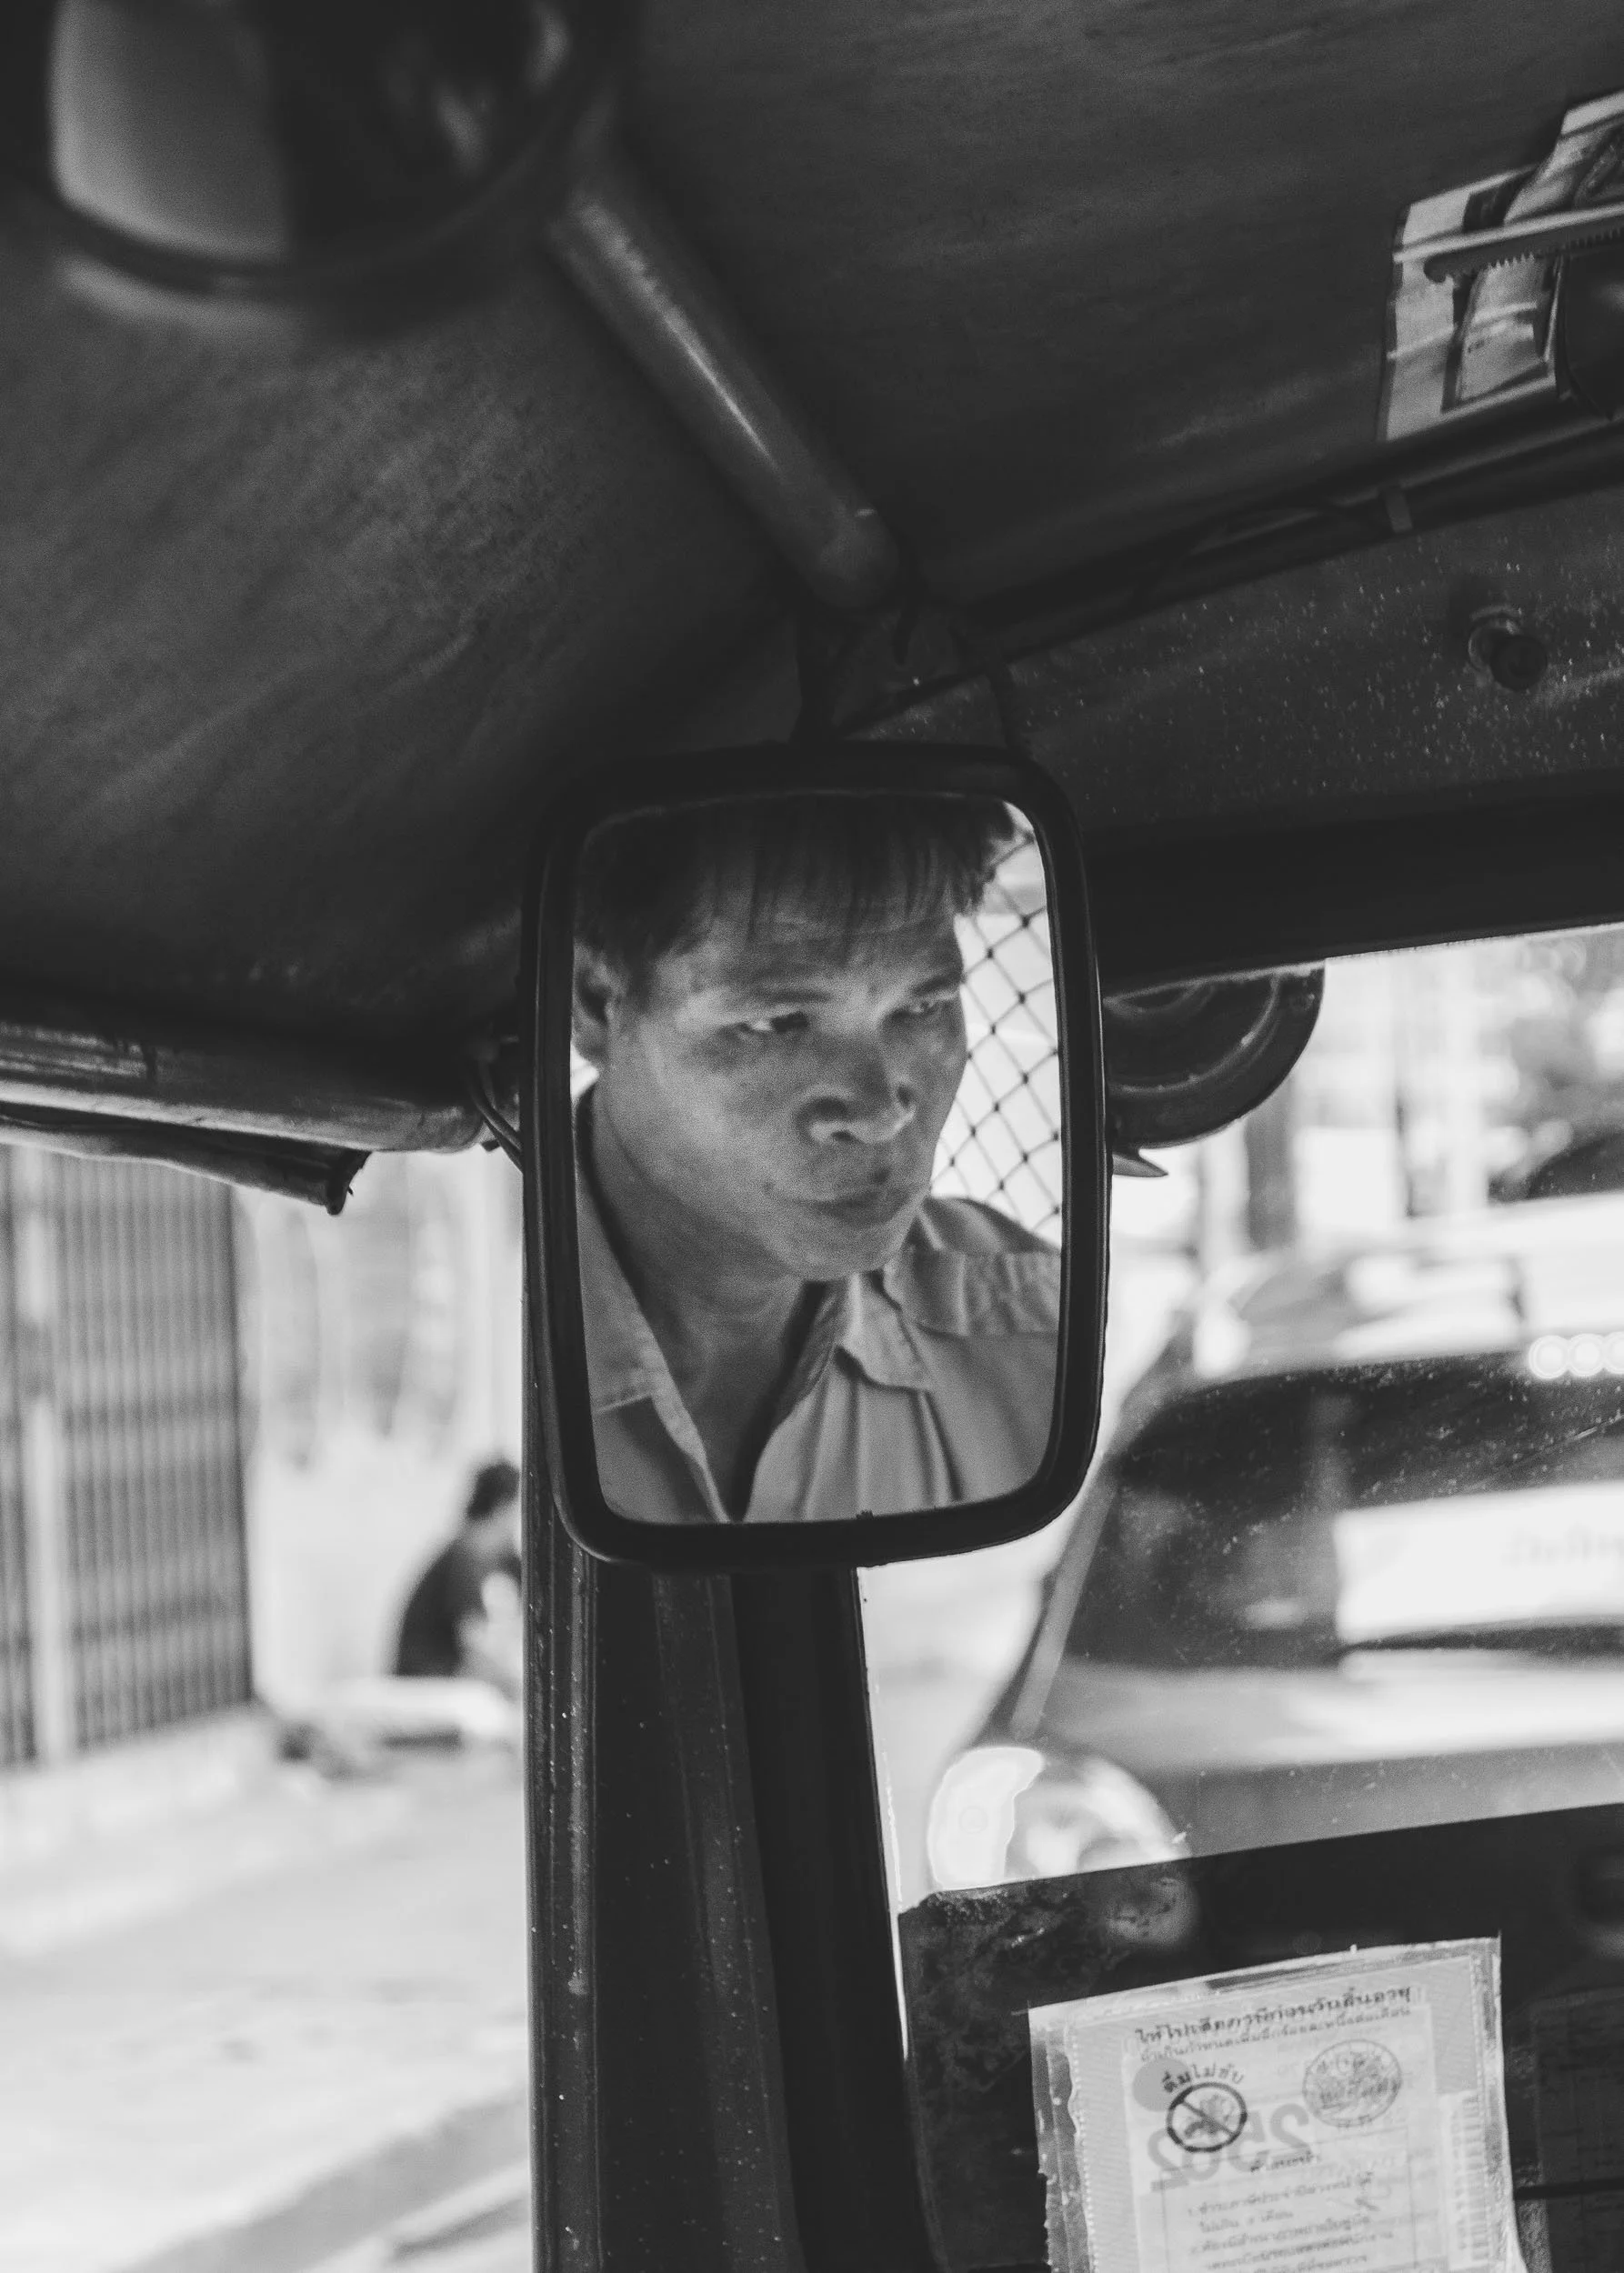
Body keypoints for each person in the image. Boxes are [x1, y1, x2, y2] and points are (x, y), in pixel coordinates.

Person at [571, 793, 1061, 1524]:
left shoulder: (1037, 1343)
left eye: (921, 1008)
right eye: (777, 1022)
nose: (880, 1110)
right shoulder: (487, 1373)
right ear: (597, 1005)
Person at [393, 1458, 523, 1695]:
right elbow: (474, 1648)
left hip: (445, 1674)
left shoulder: (494, 1558)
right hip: (428, 1677)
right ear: (503, 1507)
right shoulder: (466, 1556)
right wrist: (519, 1685)